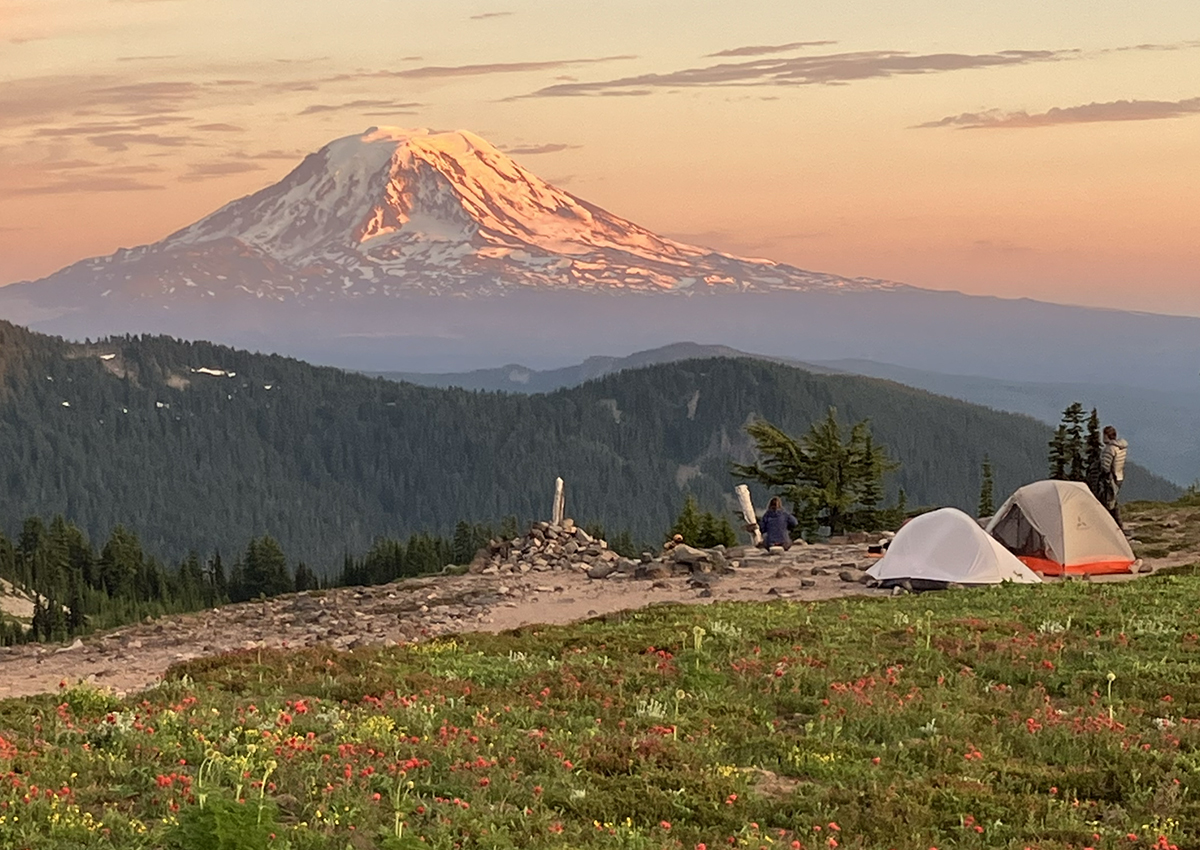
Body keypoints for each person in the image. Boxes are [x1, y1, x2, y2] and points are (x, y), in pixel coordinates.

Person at [1099, 425, 1128, 529]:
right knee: (1113, 501)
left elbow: (1105, 466)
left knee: (1107, 502)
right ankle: (1118, 524)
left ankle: (1111, 525)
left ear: (1107, 436)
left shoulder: (1110, 449)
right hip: (1119, 476)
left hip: (1111, 478)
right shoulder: (1121, 447)